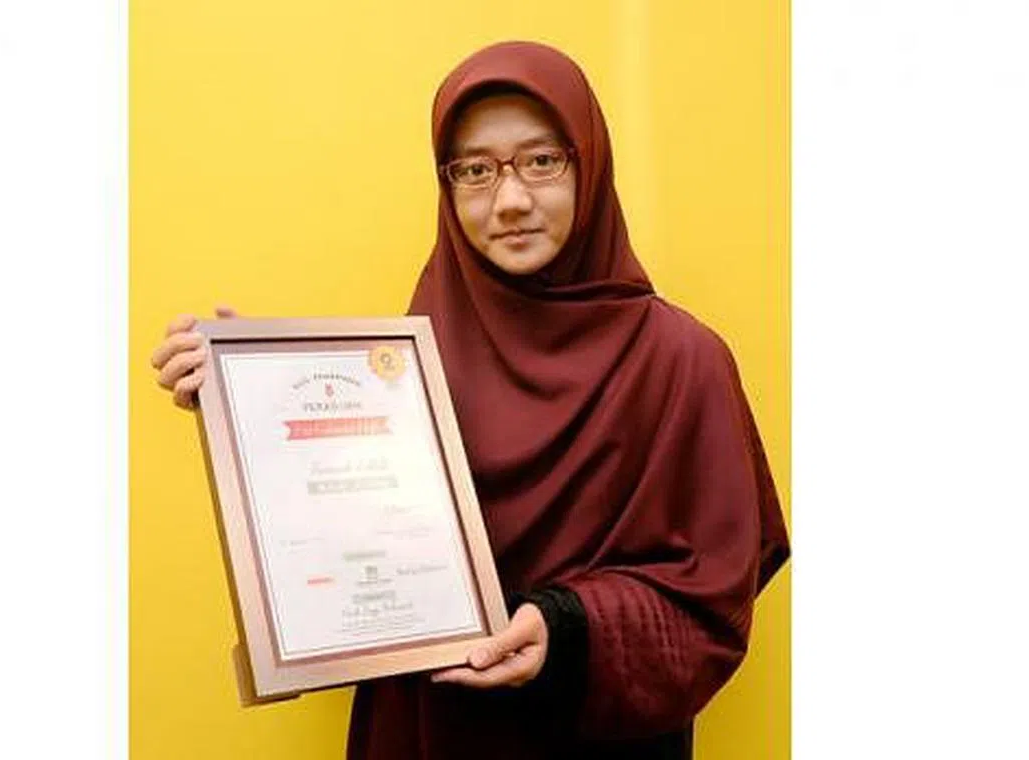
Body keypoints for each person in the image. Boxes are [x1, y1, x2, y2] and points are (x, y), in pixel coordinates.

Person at [150, 41, 789, 760]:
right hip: (428, 732)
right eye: (476, 170)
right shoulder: (408, 359)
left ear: (589, 164)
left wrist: (567, 626)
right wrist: (254, 399)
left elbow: (712, 603)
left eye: (541, 161)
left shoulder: (681, 360)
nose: (509, 201)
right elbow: (356, 535)